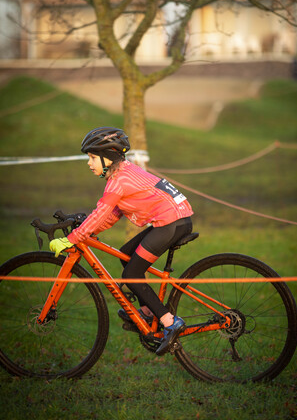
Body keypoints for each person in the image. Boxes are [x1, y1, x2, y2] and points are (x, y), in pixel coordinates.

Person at [50, 127, 194, 356]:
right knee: (126, 254)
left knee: (131, 275)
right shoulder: (124, 172)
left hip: (170, 223)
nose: (89, 163)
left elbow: (102, 213)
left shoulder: (118, 181)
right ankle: (147, 312)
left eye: (92, 158)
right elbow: (110, 215)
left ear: (109, 157)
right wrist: (87, 226)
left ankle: (170, 322)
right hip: (173, 220)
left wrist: (72, 239)